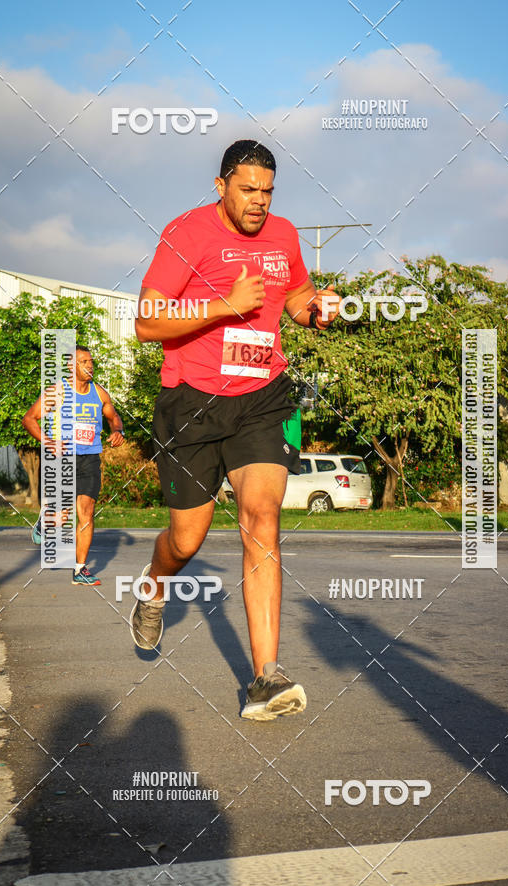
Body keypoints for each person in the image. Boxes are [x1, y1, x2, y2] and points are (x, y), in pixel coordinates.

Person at [131, 139, 340, 721]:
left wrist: (317, 309)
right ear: (221, 185)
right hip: (192, 403)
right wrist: (224, 305)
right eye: (247, 189)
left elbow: (296, 297)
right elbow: (147, 321)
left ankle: (266, 678)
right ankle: (154, 583)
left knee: (262, 518)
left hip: (262, 399)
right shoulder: (187, 234)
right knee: (186, 541)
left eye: (267, 191)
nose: (259, 201)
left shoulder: (284, 235)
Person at [21, 346, 124, 585]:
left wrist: (118, 431)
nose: (90, 366)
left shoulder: (99, 393)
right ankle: (45, 522)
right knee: (61, 518)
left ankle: (80, 570)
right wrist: (49, 442)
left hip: (90, 458)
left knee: (86, 512)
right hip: (64, 458)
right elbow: (29, 419)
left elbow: (113, 417)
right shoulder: (58, 391)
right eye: (83, 361)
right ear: (71, 366)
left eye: (91, 361)